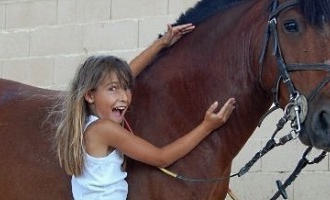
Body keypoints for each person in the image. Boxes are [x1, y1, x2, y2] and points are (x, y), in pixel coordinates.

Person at [53, 23, 236, 200]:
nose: (124, 96)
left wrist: (162, 42)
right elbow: (161, 157)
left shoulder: (87, 122)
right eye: (113, 89)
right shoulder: (104, 129)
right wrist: (207, 126)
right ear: (90, 96)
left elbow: (127, 73)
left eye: (126, 88)